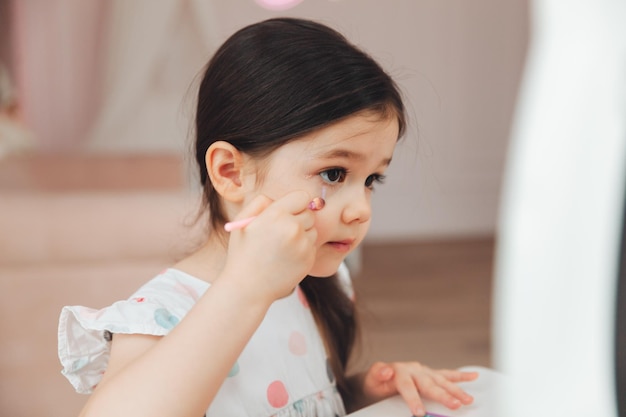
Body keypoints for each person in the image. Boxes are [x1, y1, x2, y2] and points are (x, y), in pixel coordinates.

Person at [57, 17, 478, 417]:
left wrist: (363, 390)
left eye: (372, 179)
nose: (360, 209)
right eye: (334, 174)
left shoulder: (314, 285)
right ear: (230, 172)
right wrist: (245, 288)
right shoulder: (160, 314)